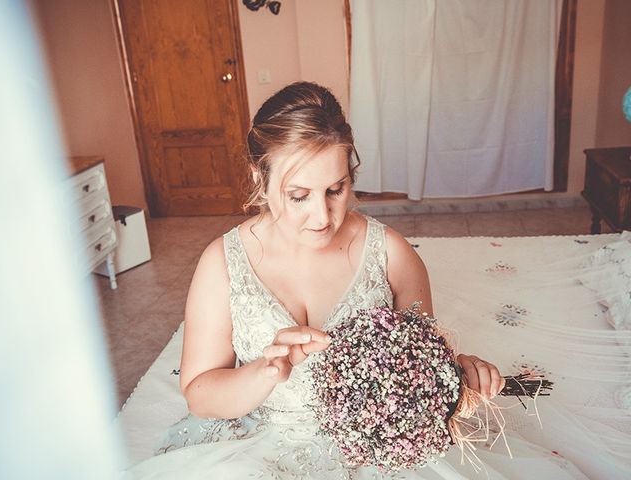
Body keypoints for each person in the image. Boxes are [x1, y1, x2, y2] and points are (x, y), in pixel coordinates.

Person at [126, 82, 596, 479]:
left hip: (375, 450)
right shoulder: (221, 263)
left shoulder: (391, 254)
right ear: (258, 178)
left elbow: (421, 371)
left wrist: (455, 376)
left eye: (336, 190)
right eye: (298, 195)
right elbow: (202, 394)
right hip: (260, 440)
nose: (321, 217)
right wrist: (264, 372)